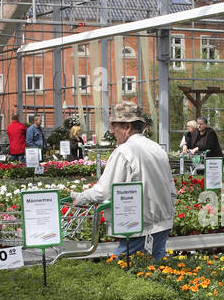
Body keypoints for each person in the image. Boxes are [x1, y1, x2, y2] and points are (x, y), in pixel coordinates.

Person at [72, 104, 174, 260]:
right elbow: (171, 188)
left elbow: (104, 192)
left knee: (121, 269)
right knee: (155, 270)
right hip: (162, 223)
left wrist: (80, 198)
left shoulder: (125, 151)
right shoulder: (157, 148)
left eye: (114, 126)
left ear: (127, 126)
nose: (112, 131)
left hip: (139, 226)